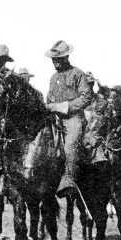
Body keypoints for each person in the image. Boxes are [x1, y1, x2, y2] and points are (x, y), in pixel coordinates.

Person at [45, 40, 94, 198]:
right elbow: (49, 98)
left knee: (70, 144)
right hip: (55, 117)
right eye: (54, 59)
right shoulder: (53, 78)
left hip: (73, 117)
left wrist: (65, 106)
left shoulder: (77, 74)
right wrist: (50, 107)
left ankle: (69, 179)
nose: (55, 62)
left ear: (66, 58)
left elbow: (86, 97)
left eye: (58, 59)